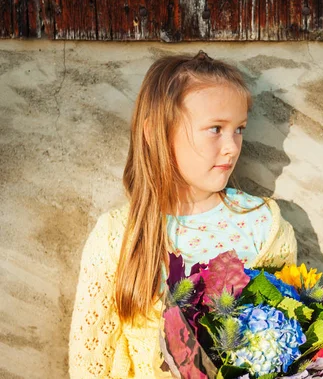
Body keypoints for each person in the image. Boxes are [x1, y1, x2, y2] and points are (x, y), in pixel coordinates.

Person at [68, 50, 298, 378]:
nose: (232, 146)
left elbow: (288, 340)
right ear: (155, 131)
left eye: (239, 129)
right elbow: (90, 360)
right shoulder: (118, 235)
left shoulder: (262, 225)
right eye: (216, 128)